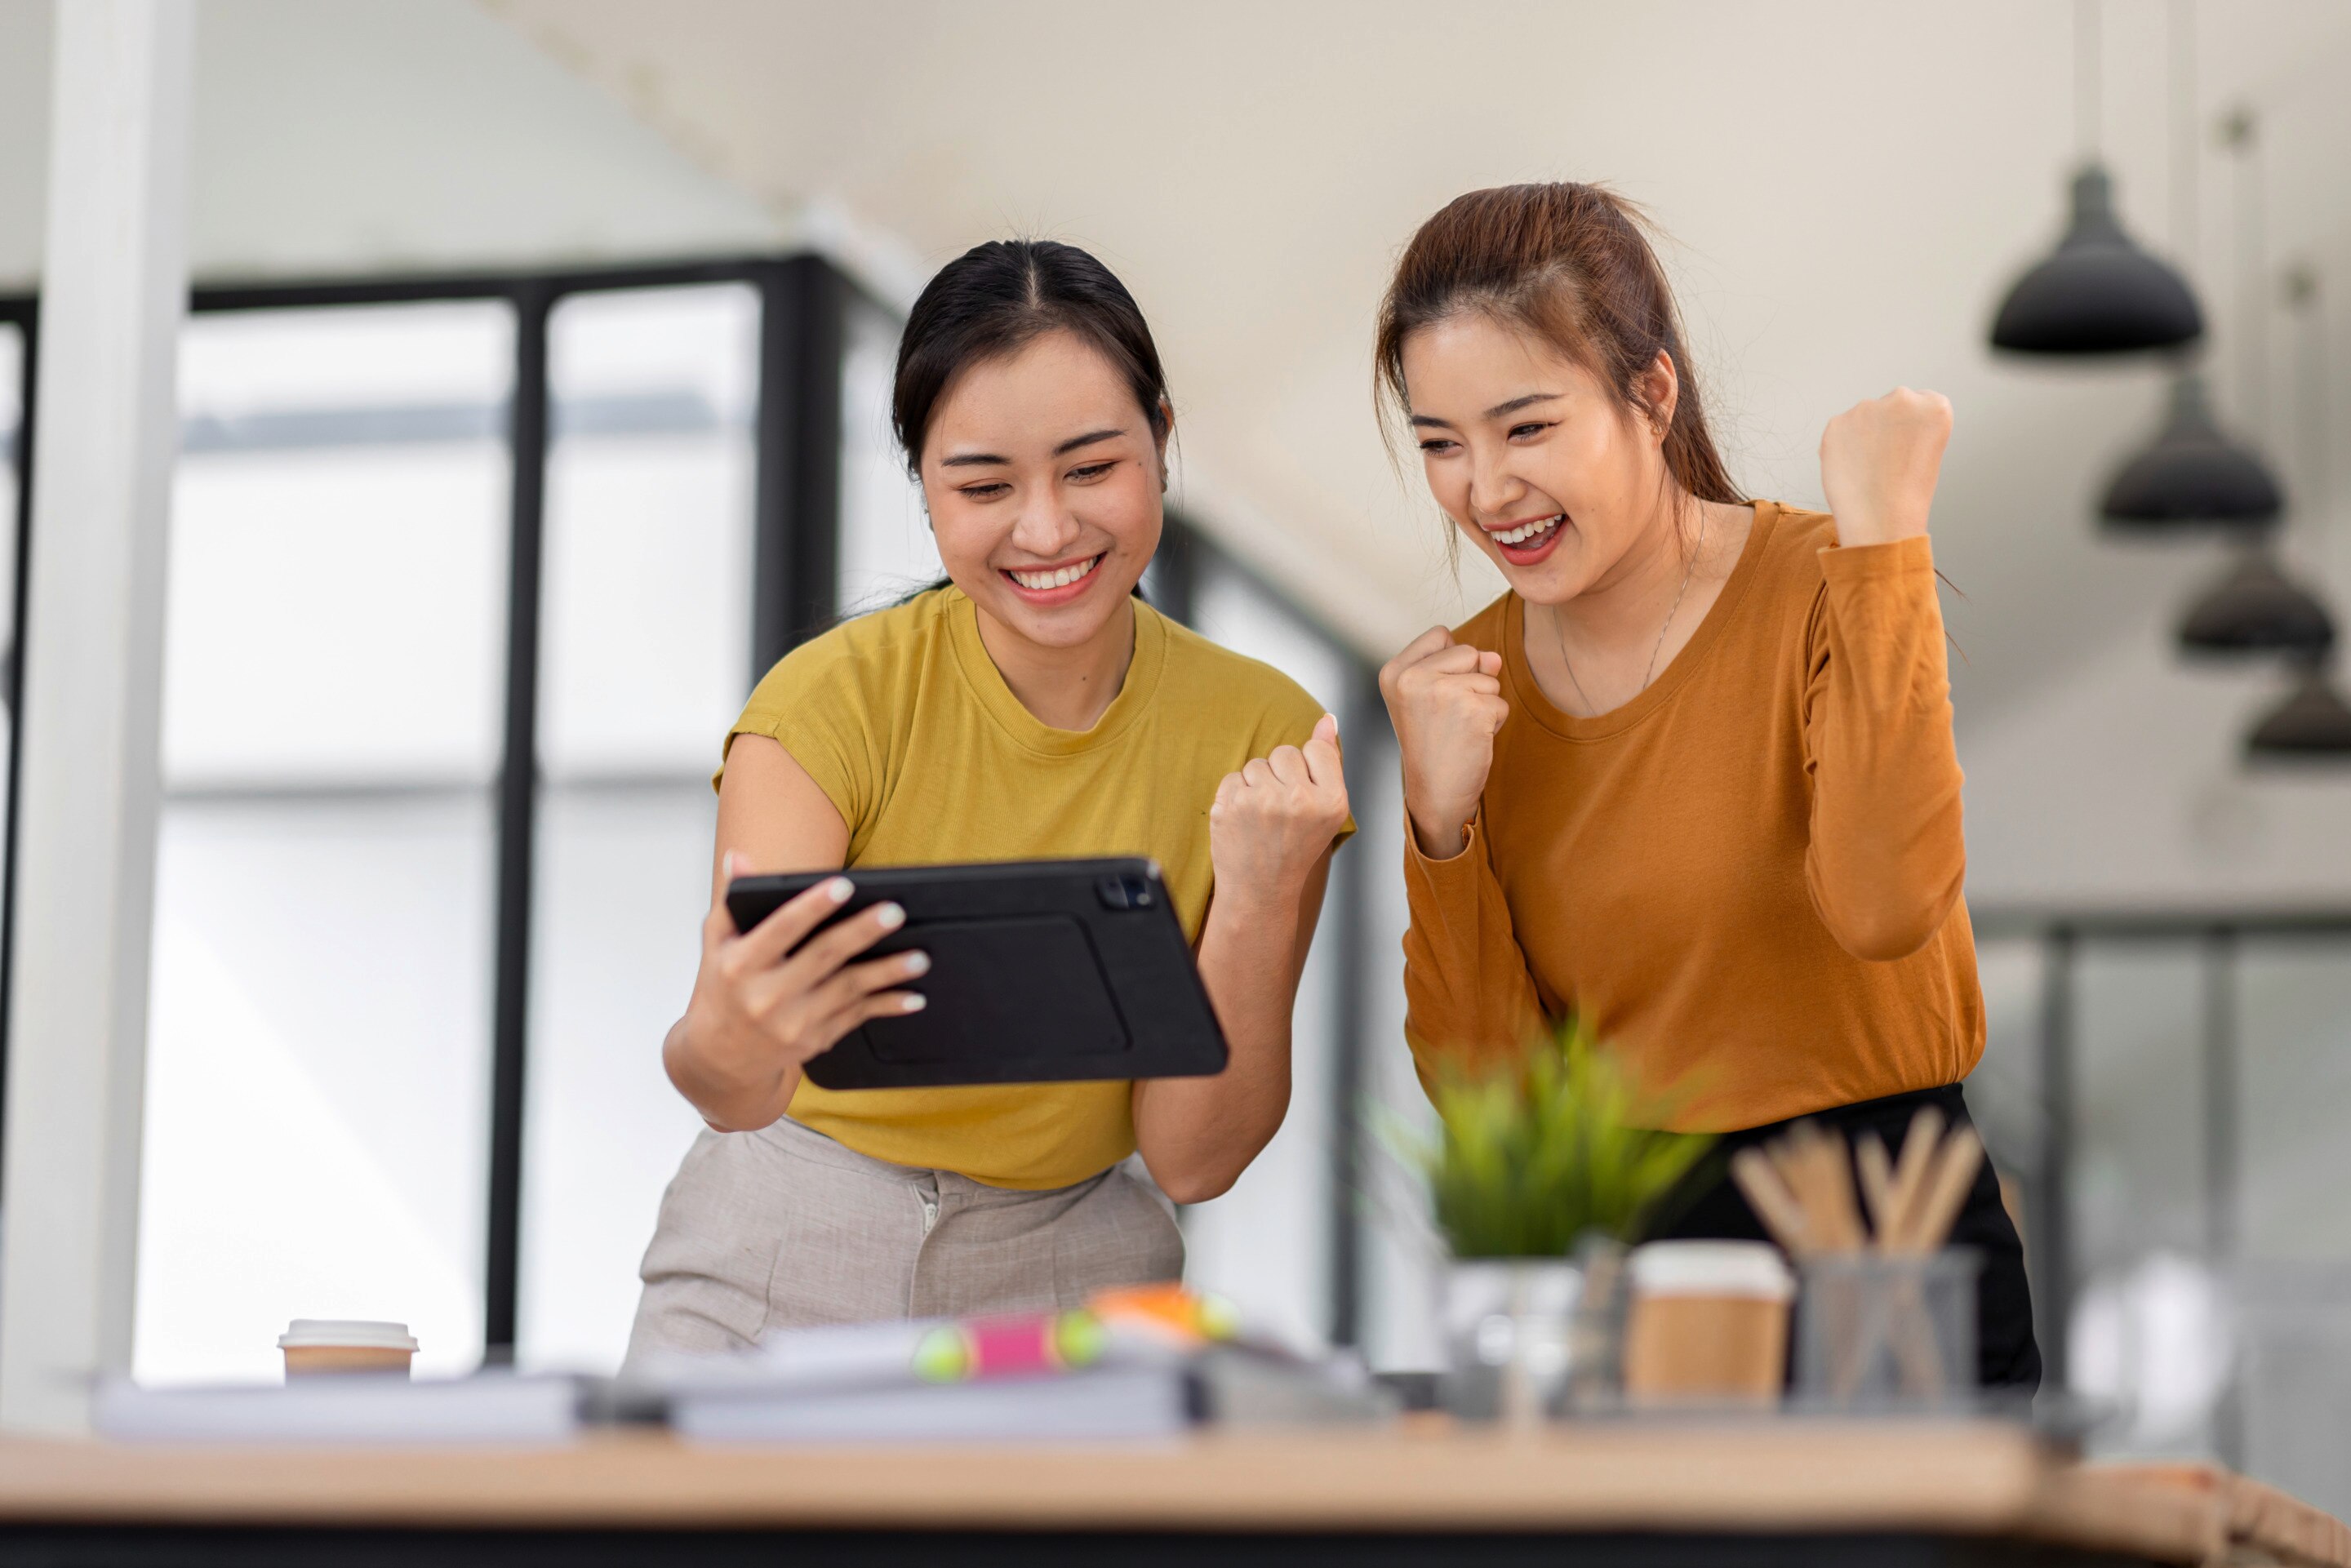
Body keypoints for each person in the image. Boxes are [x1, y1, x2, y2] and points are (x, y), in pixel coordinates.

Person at [626, 240, 1351, 1359]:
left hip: (1074, 1267)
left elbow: (1194, 1159)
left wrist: (1256, 897)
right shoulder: (826, 706)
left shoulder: (1267, 739)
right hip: (783, 1251)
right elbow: (736, 1089)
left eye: (1091, 468)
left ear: (1161, 439)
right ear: (924, 488)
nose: (1047, 529)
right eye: (983, 486)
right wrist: (720, 1036)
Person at [1375, 183, 2036, 1388]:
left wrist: (1888, 539)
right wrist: (1439, 825)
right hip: (1636, 1269)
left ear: (1653, 394)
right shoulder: (1463, 691)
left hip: (1885, 1233)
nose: (1486, 488)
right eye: (1440, 444)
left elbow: (1888, 905)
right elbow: (1495, 1107)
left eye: (1526, 428)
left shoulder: (1832, 582)